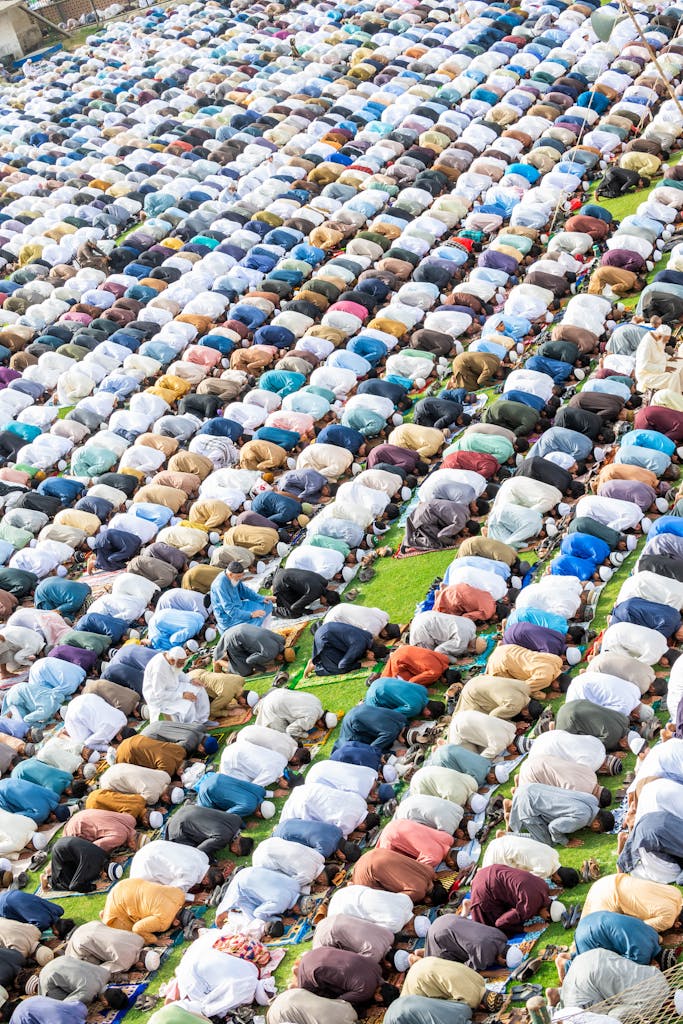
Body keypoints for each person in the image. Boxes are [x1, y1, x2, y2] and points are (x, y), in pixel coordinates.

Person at [506, 784, 614, 846]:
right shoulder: (582, 818)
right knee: (546, 842)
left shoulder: (593, 800)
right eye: (598, 830)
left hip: (530, 788)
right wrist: (566, 842)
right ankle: (505, 836)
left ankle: (511, 809)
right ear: (596, 824)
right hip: (527, 804)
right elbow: (553, 827)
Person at [464, 863, 553, 934]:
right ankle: (467, 912)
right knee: (490, 930)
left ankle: (470, 903)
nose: (543, 919)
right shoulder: (529, 906)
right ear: (548, 915)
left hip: (491, 870)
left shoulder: (543, 886)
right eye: (546, 919)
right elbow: (500, 923)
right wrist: (527, 929)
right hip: (483, 889)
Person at [293, 947, 399, 1007]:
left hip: (319, 952)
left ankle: (299, 968)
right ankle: (296, 979)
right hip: (311, 969)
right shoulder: (366, 991)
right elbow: (340, 1001)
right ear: (380, 997)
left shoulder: (378, 968)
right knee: (314, 1001)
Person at [581, 873, 683, 931]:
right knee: (590, 935)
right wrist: (661, 939)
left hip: (608, 880)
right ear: (677, 924)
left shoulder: (676, 893)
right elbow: (637, 929)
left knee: (583, 926)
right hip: (608, 899)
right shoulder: (668, 919)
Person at [100, 878, 187, 944]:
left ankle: (106, 914)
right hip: (120, 905)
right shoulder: (164, 921)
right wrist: (156, 941)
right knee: (134, 941)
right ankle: (107, 919)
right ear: (176, 922)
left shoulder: (179, 895)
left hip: (125, 886)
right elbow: (137, 928)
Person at [215, 866, 300, 927]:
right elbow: (258, 914)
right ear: (297, 909)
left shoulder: (296, 885)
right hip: (243, 886)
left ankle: (224, 893)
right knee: (254, 922)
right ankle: (226, 914)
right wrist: (280, 920)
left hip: (249, 871)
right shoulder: (280, 904)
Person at [142, 648, 210, 724]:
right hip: (160, 699)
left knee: (199, 689)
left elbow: (178, 672)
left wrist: (191, 680)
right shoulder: (158, 670)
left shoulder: (169, 656)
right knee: (187, 703)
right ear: (172, 661)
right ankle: (192, 727)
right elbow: (159, 694)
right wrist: (182, 695)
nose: (183, 665)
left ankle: (202, 720)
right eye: (181, 663)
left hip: (173, 687)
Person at [37, 956, 127, 1011]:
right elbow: (65, 1006)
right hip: (47, 976)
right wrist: (86, 1018)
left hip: (60, 960)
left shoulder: (105, 973)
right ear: (105, 1003)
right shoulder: (87, 994)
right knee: (61, 1009)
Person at [166, 804, 253, 860]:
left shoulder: (236, 819)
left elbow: (241, 823)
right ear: (235, 848)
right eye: (236, 853)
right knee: (190, 855)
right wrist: (214, 862)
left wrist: (245, 827)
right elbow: (199, 851)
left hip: (187, 808)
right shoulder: (223, 838)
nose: (233, 853)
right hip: (177, 827)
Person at [210, 563, 273, 630]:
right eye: (238, 577)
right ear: (230, 575)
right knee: (257, 618)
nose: (240, 579)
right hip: (228, 618)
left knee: (267, 603)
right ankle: (261, 633)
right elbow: (230, 610)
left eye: (241, 576)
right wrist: (251, 615)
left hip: (239, 606)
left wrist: (261, 598)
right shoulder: (220, 585)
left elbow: (245, 591)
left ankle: (264, 630)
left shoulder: (233, 577)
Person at [255, 690, 337, 739]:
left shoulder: (317, 701)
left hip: (277, 693)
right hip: (272, 706)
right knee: (285, 738)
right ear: (321, 723)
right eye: (323, 727)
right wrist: (309, 736)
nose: (320, 728)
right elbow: (290, 730)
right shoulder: (310, 719)